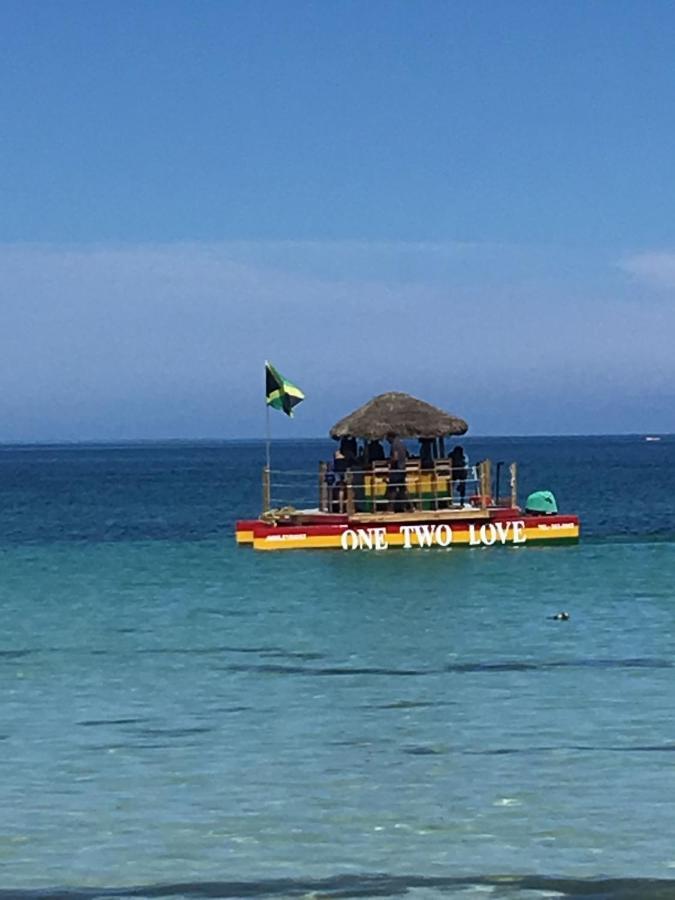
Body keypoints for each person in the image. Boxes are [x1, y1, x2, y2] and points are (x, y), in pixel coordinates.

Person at [387, 432, 408, 511]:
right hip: (403, 469)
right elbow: (406, 456)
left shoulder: (394, 444)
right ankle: (407, 507)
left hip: (396, 469)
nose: (387, 440)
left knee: (392, 489)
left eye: (387, 438)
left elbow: (395, 457)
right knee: (403, 489)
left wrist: (389, 462)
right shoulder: (402, 444)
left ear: (390, 437)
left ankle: (390, 508)